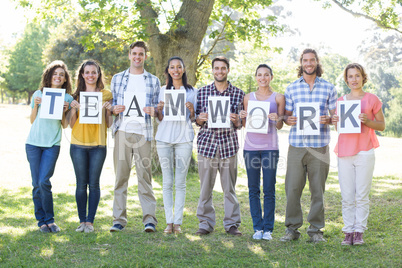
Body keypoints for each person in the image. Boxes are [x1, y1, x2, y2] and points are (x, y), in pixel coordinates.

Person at [280, 48, 337, 243]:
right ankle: (292, 229)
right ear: (301, 63)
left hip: (320, 146)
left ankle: (315, 231)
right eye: (305, 60)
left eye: (312, 60)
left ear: (317, 62)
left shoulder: (329, 88)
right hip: (297, 145)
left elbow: (335, 117)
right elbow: (286, 116)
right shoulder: (292, 88)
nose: (309, 63)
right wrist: (290, 120)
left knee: (317, 190)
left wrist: (327, 120)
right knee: (293, 188)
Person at [109, 41, 160, 232]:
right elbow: (112, 105)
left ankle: (149, 220)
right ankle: (118, 220)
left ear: (146, 56)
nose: (137, 57)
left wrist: (154, 110)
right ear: (129, 55)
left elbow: (157, 108)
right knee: (120, 177)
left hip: (144, 133)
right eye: (134, 54)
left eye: (141, 54)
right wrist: (114, 109)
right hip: (122, 131)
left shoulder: (153, 80)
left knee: (144, 177)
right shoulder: (117, 78)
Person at [332, 63, 385, 246]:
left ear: (363, 77)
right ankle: (348, 231)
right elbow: (339, 128)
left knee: (361, 194)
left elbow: (382, 126)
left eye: (357, 76)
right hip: (345, 152)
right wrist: (335, 121)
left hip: (365, 152)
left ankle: (359, 231)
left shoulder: (372, 99)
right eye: (350, 76)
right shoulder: (341, 101)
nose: (354, 79)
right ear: (346, 80)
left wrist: (368, 121)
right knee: (347, 195)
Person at [195, 56, 244, 236]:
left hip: (228, 145)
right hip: (207, 145)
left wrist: (237, 119)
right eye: (216, 68)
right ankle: (205, 222)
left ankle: (231, 224)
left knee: (229, 188)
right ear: (213, 70)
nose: (220, 71)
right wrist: (200, 118)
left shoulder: (238, 93)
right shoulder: (202, 92)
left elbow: (240, 124)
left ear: (228, 70)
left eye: (223, 68)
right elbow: (197, 120)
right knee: (205, 187)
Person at [25, 60, 73, 233]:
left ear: (65, 79)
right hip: (33, 144)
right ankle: (41, 221)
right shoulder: (39, 93)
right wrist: (36, 105)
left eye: (61, 74)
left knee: (44, 181)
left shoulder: (67, 97)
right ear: (49, 76)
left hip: (52, 144)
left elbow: (64, 125)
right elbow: (32, 120)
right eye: (55, 73)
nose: (58, 77)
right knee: (36, 183)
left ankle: (50, 220)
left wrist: (65, 109)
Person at [239, 64, 285, 240]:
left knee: (268, 188)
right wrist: (243, 116)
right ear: (256, 77)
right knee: (253, 189)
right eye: (259, 75)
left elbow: (280, 125)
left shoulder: (278, 97)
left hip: (270, 149)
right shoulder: (248, 97)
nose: (263, 78)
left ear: (271, 77)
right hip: (250, 148)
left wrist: (277, 118)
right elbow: (245, 125)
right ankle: (257, 228)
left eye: (266, 75)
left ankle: (268, 229)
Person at [68, 60, 113, 233]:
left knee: (94, 184)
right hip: (78, 144)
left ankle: (90, 222)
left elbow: (108, 124)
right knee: (81, 184)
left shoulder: (106, 95)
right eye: (87, 72)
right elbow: (71, 124)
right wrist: (73, 109)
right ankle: (81, 221)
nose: (90, 75)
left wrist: (108, 110)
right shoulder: (76, 95)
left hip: (98, 145)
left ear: (98, 74)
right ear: (82, 75)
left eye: (94, 72)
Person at [155, 56, 197, 234]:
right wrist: (159, 109)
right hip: (164, 138)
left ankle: (178, 222)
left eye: (179, 67)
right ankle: (168, 222)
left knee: (180, 182)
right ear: (168, 70)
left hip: (184, 139)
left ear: (184, 69)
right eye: (172, 67)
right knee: (167, 181)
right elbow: (160, 117)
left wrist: (192, 110)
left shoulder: (193, 91)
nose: (176, 70)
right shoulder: (162, 90)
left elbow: (194, 119)